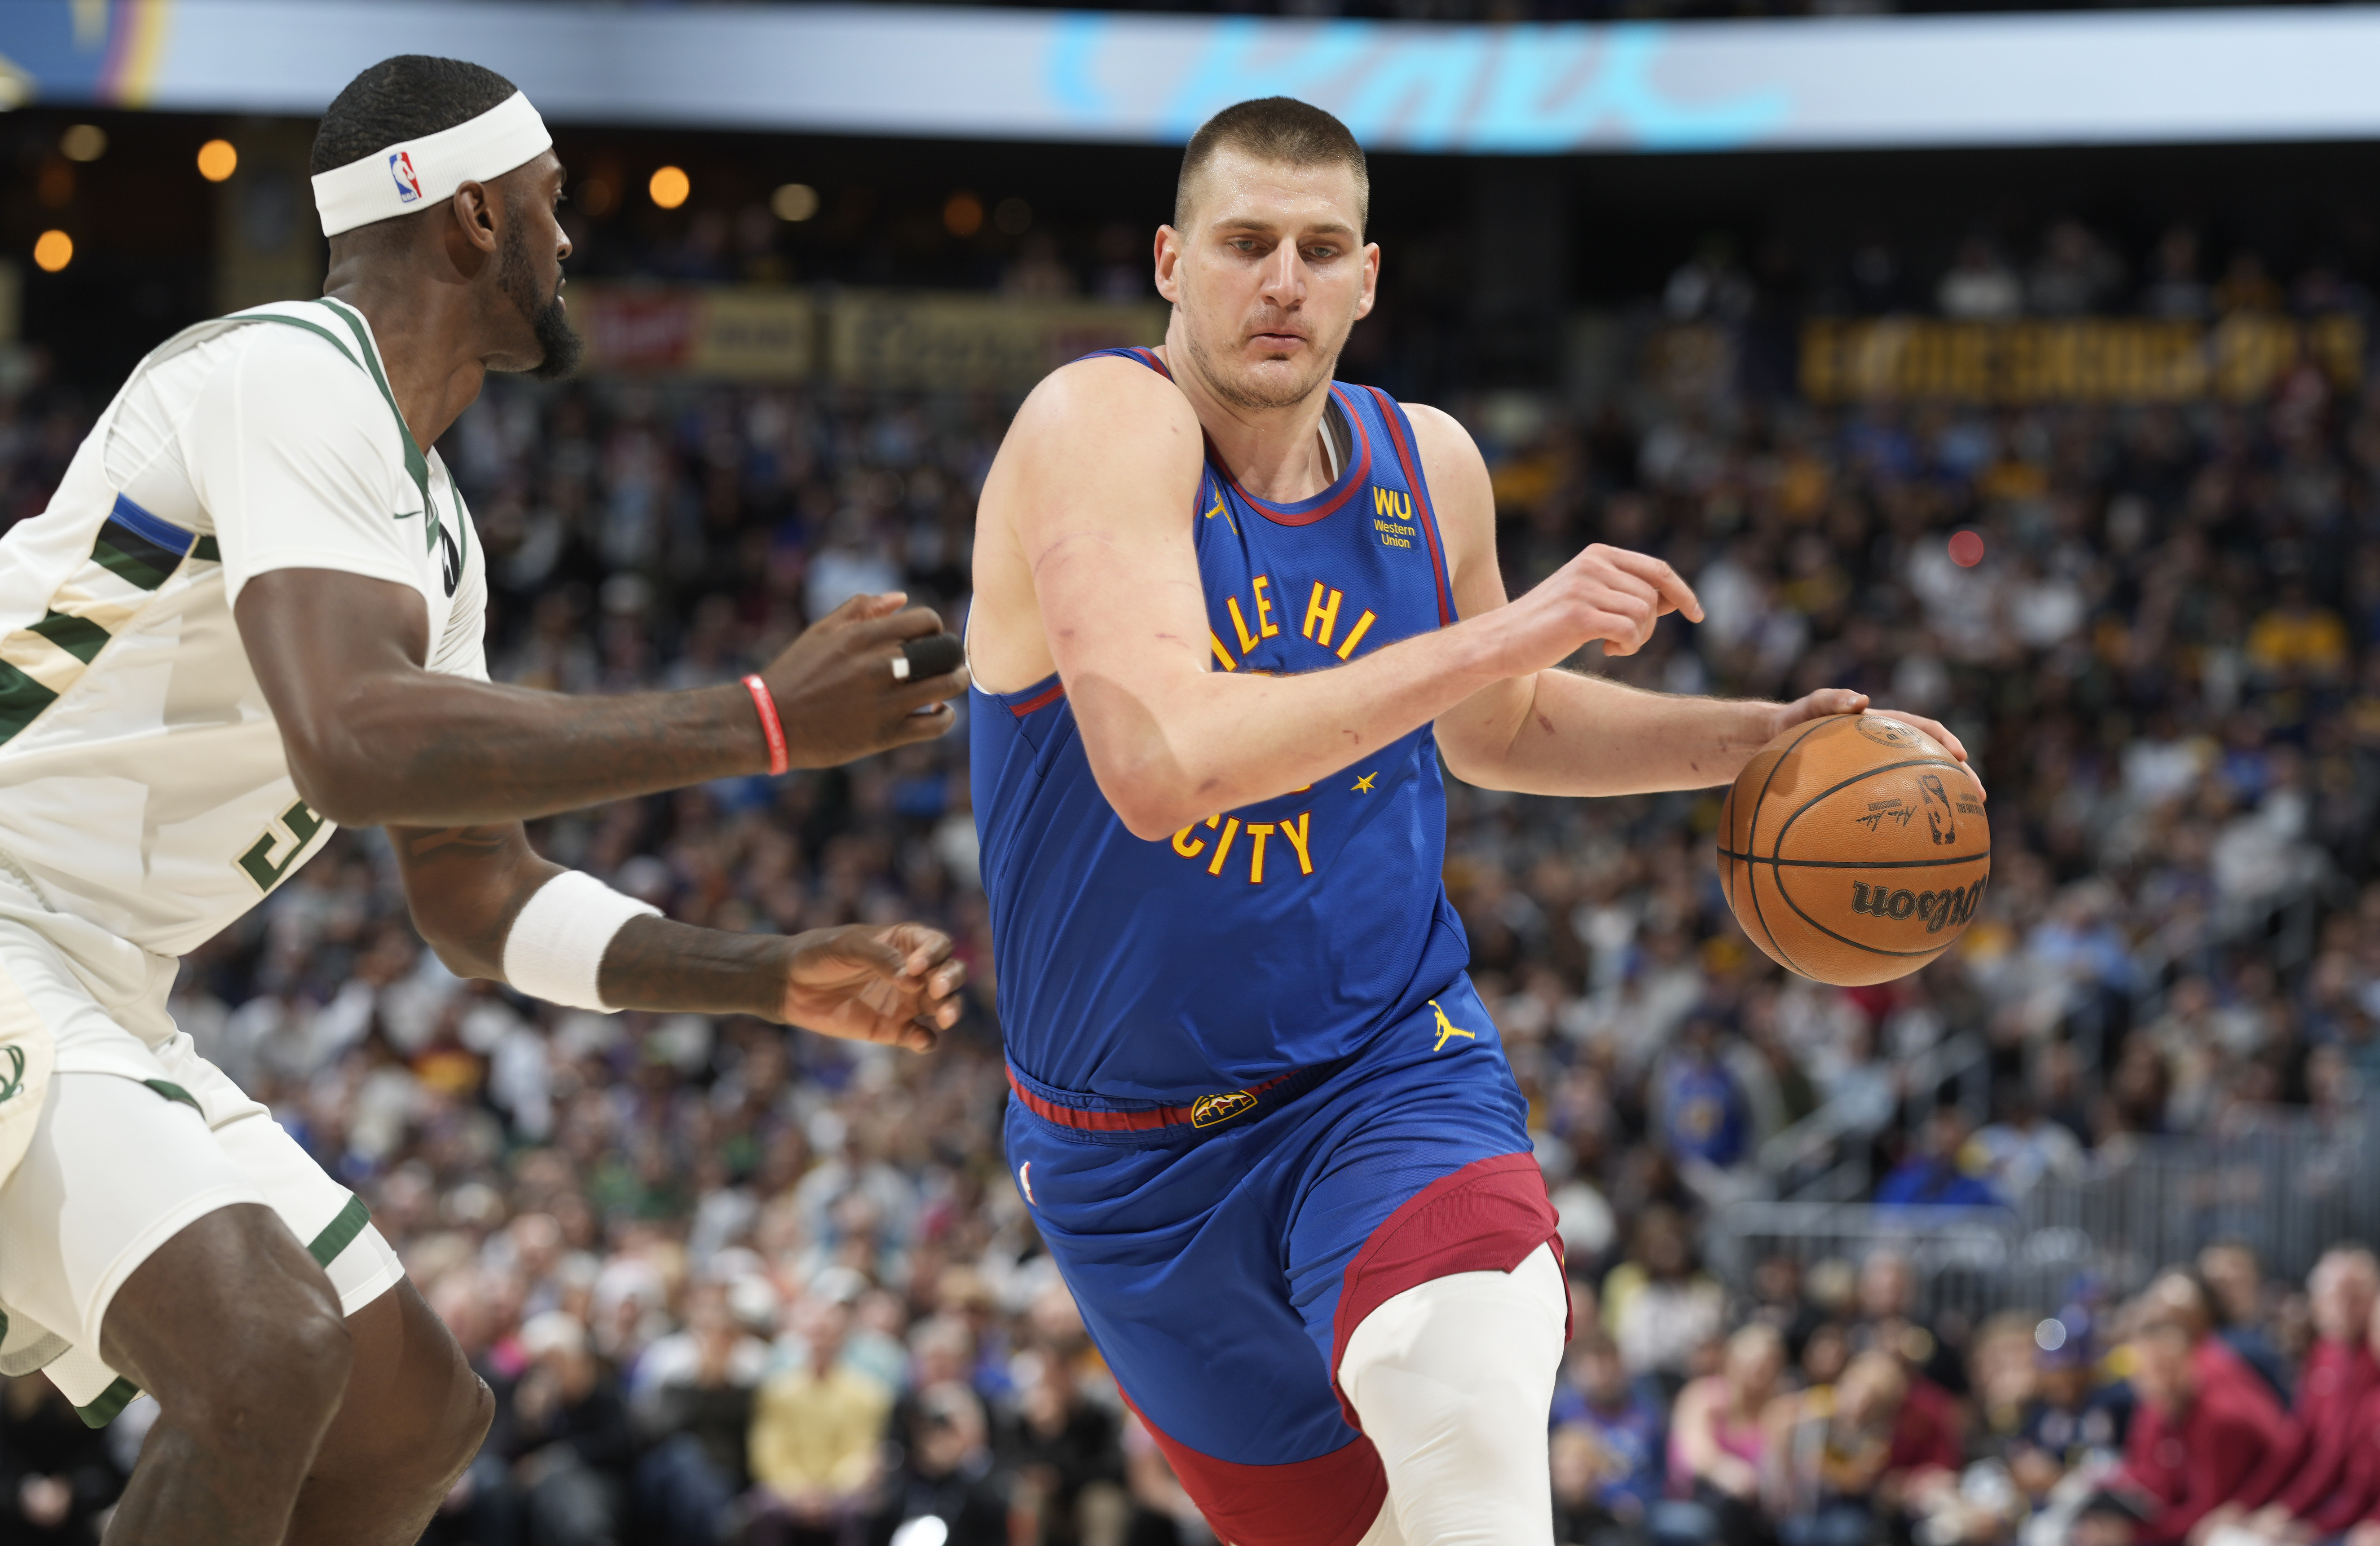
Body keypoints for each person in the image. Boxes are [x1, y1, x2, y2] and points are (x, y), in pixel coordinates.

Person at [965, 95, 1969, 1546]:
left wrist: (1752, 743)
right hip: (1128, 1161)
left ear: (1368, 279)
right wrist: (1508, 635)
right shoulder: (1099, 421)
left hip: (1386, 1075)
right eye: (1246, 242)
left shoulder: (1423, 464)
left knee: (1476, 1481)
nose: (1282, 281)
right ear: (1172, 263)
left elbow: (1495, 728)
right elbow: (1163, 762)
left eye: (1320, 248)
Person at [0, 53, 968, 1546]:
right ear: (467, 217)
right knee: (267, 1350)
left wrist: (762, 973)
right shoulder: (286, 370)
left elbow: (472, 895)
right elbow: (349, 744)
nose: (568, 240)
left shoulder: (435, 535)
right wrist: (759, 722)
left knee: (411, 1418)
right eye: (551, 203)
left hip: (99, 981)